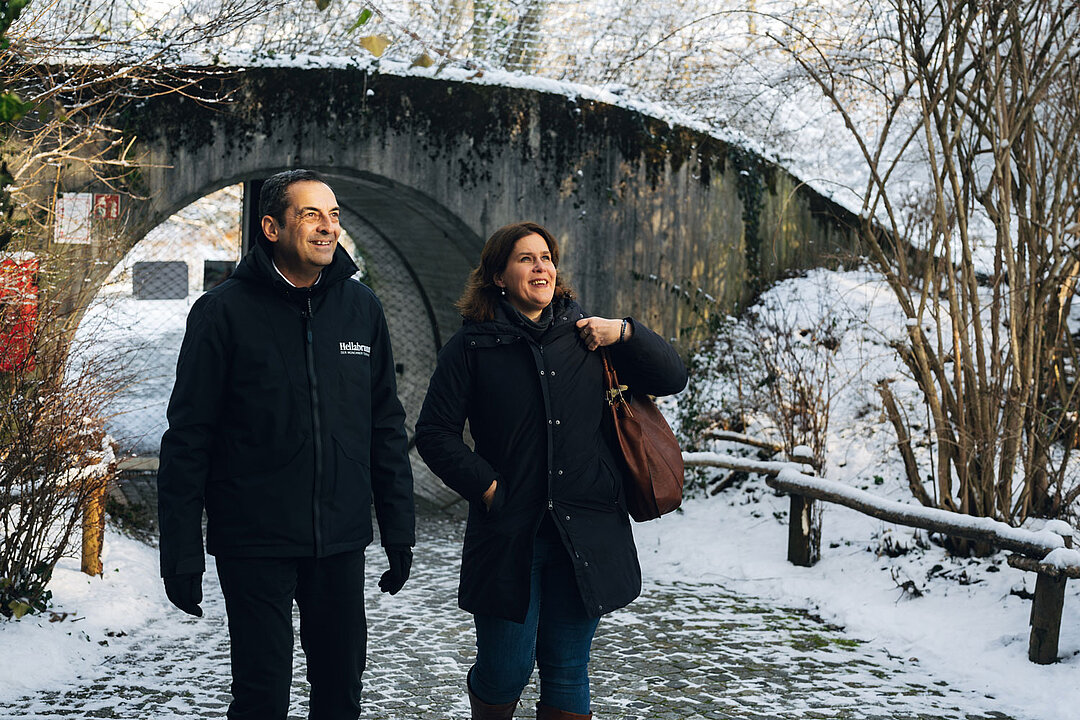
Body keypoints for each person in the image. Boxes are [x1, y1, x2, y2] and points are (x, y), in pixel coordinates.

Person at [156, 169, 415, 720]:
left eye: (335, 215)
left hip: (339, 540)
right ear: (271, 227)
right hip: (254, 539)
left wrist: (398, 530)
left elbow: (384, 426)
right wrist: (180, 553)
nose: (328, 228)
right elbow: (188, 438)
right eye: (311, 215)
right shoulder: (222, 312)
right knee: (261, 696)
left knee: (341, 690)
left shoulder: (360, 308)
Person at [415, 222, 687, 720]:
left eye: (546, 257)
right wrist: (490, 487)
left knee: (567, 668)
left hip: (586, 529)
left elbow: (673, 377)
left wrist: (624, 331)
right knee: (506, 668)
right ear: (498, 276)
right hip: (510, 533)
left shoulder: (589, 337)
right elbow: (434, 433)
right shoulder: (472, 348)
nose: (541, 266)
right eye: (526, 258)